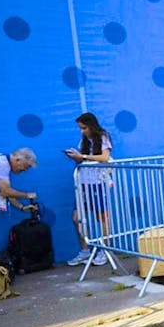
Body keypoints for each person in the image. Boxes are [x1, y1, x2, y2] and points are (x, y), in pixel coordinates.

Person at [65, 112, 113, 267]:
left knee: (101, 218)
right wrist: (76, 156)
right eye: (80, 128)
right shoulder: (84, 140)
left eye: (84, 128)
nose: (82, 131)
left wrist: (84, 156)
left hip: (98, 183)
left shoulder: (103, 137)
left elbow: (105, 157)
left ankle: (104, 250)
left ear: (92, 126)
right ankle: (85, 250)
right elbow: (83, 158)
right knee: (76, 218)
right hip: (83, 184)